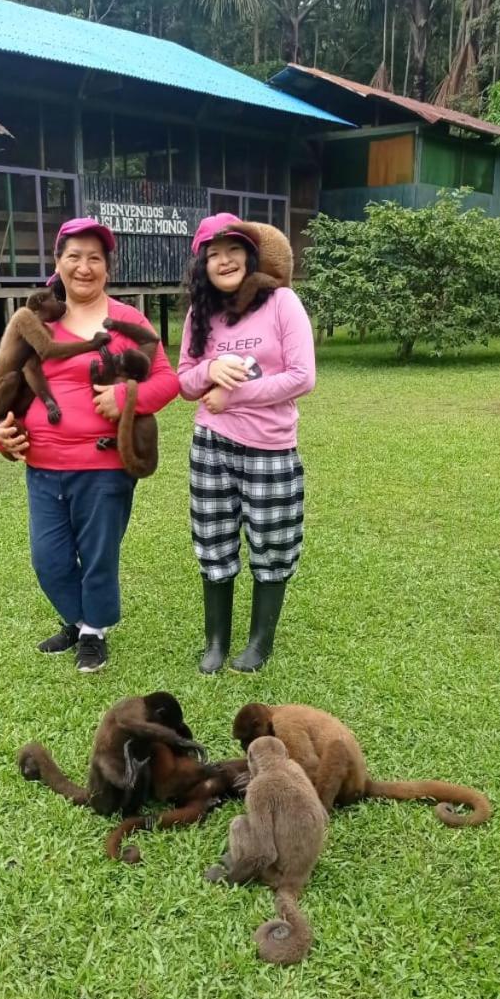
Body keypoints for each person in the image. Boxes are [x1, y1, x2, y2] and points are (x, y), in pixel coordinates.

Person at [0, 217, 179, 673]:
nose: (84, 266)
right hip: (42, 464)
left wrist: (124, 396)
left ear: (107, 269)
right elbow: (4, 387)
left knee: (97, 556)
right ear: (58, 263)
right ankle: (78, 619)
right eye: (74, 256)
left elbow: (167, 380)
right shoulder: (35, 322)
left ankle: (93, 632)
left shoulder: (128, 320)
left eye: (95, 257)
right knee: (48, 558)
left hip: (103, 465)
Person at [178, 212, 316, 674]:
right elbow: (184, 381)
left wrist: (230, 395)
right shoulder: (201, 312)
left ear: (249, 255)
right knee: (213, 540)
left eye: (233, 250)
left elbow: (302, 377)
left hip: (270, 449)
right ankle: (216, 642)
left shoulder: (282, 303)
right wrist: (208, 373)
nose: (224, 260)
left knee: (272, 544)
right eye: (213, 254)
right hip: (211, 446)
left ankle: (259, 642)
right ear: (203, 265)